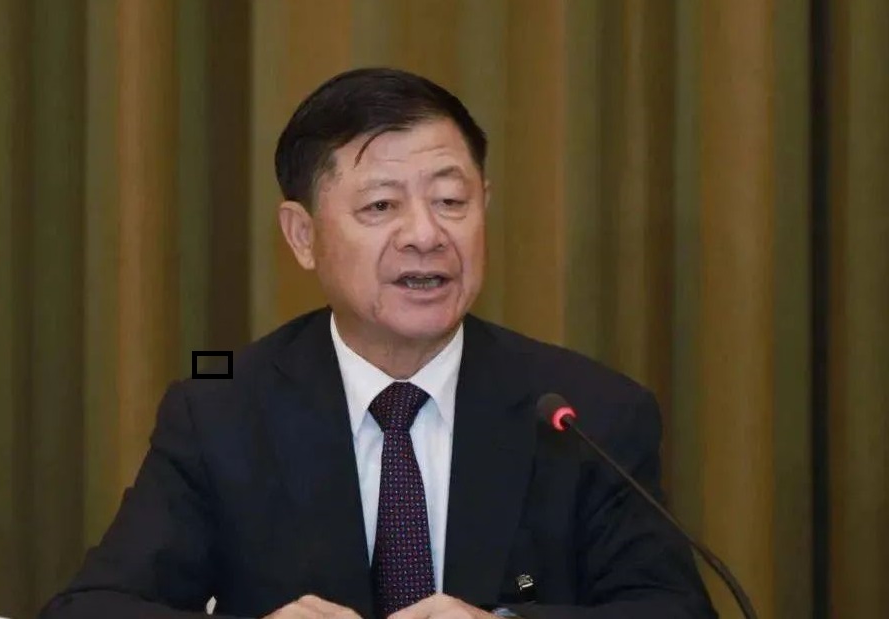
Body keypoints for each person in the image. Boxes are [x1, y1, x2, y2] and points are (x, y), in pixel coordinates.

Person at [40, 68, 715, 619]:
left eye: (451, 201)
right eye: (381, 206)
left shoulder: (586, 411)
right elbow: (91, 607)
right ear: (303, 236)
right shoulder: (220, 408)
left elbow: (673, 608)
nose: (425, 234)